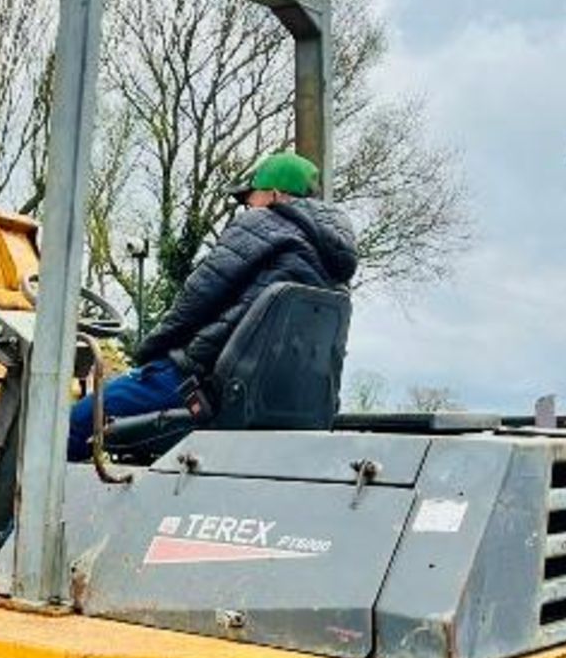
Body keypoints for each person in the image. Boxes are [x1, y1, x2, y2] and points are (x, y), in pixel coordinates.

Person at [67, 150, 358, 460]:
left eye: (251, 197)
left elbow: (197, 297)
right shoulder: (336, 267)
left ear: (273, 195)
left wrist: (147, 356)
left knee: (76, 421)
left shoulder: (261, 223)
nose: (247, 206)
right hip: (275, 400)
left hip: (203, 381)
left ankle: (24, 508)